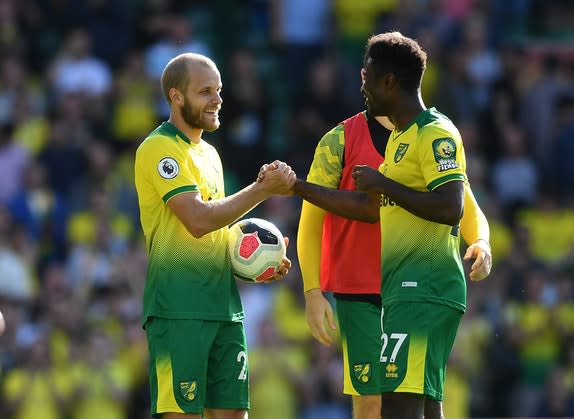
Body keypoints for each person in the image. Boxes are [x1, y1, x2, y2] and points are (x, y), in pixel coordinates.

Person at [294, 108, 490, 419]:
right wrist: (312, 290)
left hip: (413, 288)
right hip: (358, 291)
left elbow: (462, 196)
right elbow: (311, 217)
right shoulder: (338, 141)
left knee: (419, 397)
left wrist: (480, 240)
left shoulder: (428, 132)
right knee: (370, 403)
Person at [134, 52, 295, 419]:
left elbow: (214, 235)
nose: (218, 99)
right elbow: (197, 220)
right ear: (176, 96)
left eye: (219, 90)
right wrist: (262, 189)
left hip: (225, 309)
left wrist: (257, 263)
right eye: (206, 91)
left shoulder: (210, 155)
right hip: (178, 310)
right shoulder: (159, 148)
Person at [350, 32, 483, 419]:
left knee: (397, 405)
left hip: (424, 286)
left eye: (368, 78)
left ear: (389, 81)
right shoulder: (400, 138)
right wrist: (298, 188)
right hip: (406, 289)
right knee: (424, 405)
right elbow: (373, 207)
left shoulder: (435, 132)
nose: (364, 87)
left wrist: (383, 183)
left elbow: (451, 207)